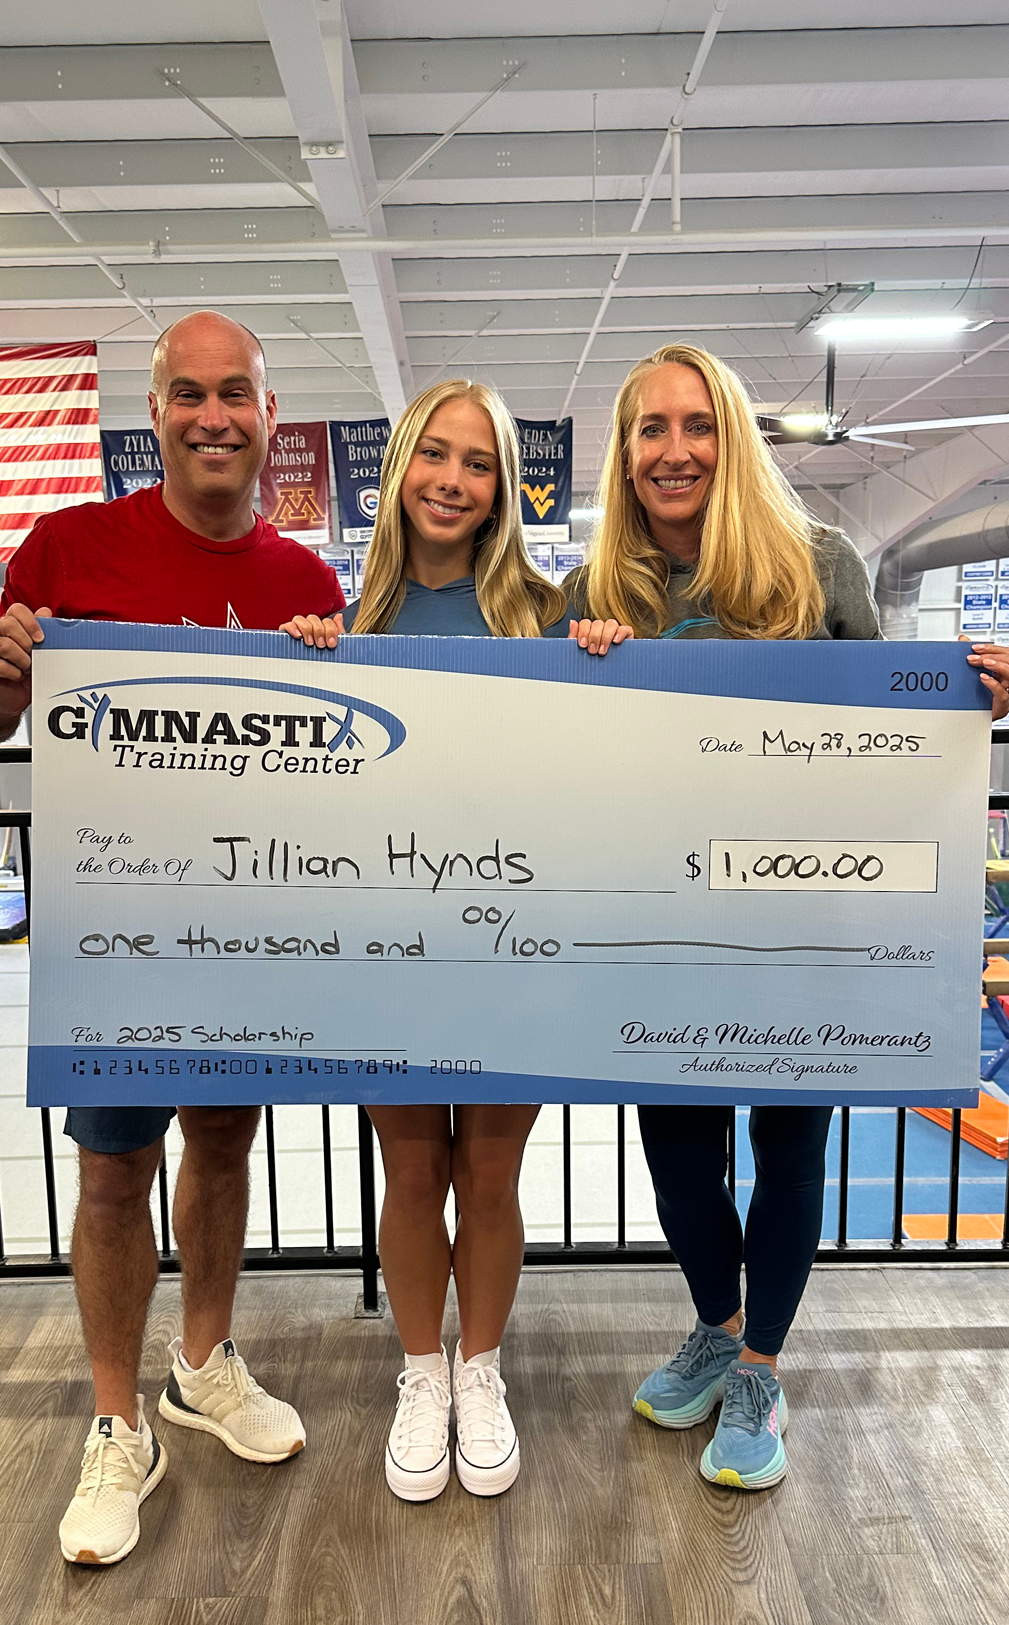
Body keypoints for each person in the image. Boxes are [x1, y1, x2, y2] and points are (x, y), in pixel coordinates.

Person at [564, 342, 1009, 1491]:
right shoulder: (595, 590)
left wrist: (974, 704)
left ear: (729, 436)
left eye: (696, 424)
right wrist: (579, 663)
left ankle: (759, 1367)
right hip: (659, 922)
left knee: (788, 1144)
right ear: (623, 451)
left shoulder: (814, 563)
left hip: (803, 916)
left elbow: (889, 731)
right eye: (650, 428)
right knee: (675, 1154)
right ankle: (717, 1327)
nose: (675, 450)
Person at [0, 311, 344, 1565]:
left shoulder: (306, 583)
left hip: (247, 929)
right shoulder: (67, 547)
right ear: (155, 412)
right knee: (113, 1171)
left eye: (235, 395)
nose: (211, 417)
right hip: (115, 930)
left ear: (269, 417)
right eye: (188, 394)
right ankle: (117, 1423)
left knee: (222, 1142)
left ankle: (203, 1365)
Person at [285, 378, 626, 1503]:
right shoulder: (351, 621)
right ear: (398, 473)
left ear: (503, 487)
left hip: (511, 940)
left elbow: (606, 755)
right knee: (412, 1166)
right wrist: (300, 665)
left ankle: (480, 1370)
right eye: (434, 455)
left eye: (478, 462)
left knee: (487, 1170)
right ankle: (419, 1371)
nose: (452, 479)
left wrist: (604, 654)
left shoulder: (549, 612)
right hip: (387, 940)